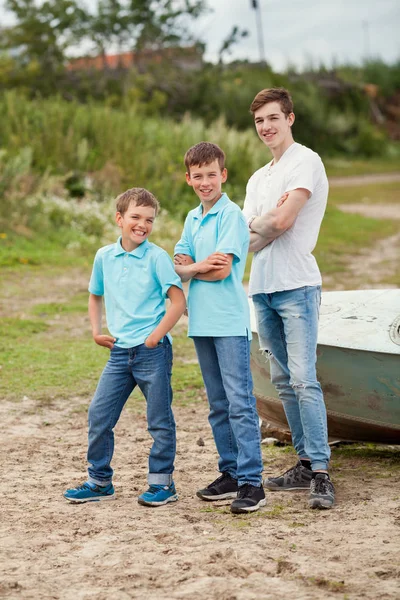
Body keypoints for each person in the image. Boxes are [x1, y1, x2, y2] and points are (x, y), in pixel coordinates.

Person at [64, 187, 186, 506]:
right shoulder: (104, 256)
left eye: (149, 219)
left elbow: (177, 301)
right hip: (119, 354)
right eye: (135, 217)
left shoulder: (157, 257)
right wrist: (95, 330)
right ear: (120, 219)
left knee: (159, 419)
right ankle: (99, 481)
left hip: (152, 352)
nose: (142, 224)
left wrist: (155, 336)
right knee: (99, 415)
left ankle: (162, 485)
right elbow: (95, 295)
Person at [242, 88, 335, 509]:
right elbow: (243, 237)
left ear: (290, 118)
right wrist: (268, 224)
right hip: (261, 288)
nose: (266, 127)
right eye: (260, 120)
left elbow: (280, 222)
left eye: (273, 118)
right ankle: (301, 462)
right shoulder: (258, 178)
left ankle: (320, 473)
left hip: (296, 285)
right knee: (282, 380)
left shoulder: (306, 161)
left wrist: (271, 222)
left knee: (303, 378)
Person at [174, 141, 266, 514]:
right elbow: (178, 262)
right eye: (198, 176)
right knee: (217, 405)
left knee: (240, 402)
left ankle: (251, 482)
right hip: (201, 322)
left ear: (223, 175)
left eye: (212, 174)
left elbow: (224, 269)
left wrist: (191, 268)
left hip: (228, 321)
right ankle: (229, 472)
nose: (205, 181)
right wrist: (196, 267)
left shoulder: (231, 215)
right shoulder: (192, 217)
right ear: (189, 179)